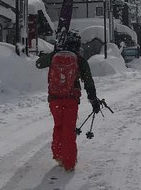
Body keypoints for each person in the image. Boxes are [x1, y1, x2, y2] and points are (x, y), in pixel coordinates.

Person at [36, 30, 102, 172]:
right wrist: (93, 99)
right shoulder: (79, 59)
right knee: (69, 130)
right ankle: (69, 163)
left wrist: (53, 54)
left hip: (54, 99)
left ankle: (58, 156)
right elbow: (88, 82)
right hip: (71, 99)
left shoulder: (54, 56)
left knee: (58, 126)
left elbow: (38, 64)